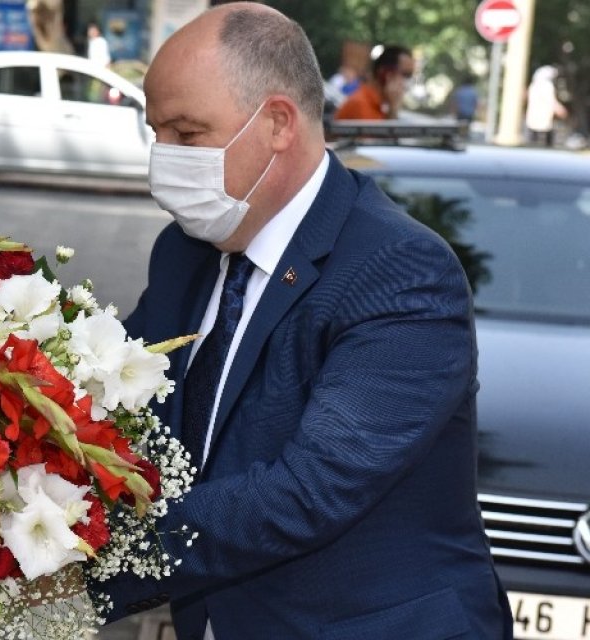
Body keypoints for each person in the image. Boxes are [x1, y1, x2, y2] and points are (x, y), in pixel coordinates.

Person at [91, 4, 512, 639]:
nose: (164, 158)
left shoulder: (400, 272)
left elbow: (305, 493)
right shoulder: (186, 252)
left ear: (279, 122)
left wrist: (77, 566)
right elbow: (115, 412)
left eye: (186, 132)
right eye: (157, 134)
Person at [333, 44, 414, 120]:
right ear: (386, 74)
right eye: (406, 75)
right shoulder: (361, 104)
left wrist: (392, 110)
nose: (406, 83)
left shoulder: (377, 105)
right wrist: (393, 110)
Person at [525, 65, 566, 147]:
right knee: (547, 143)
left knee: (532, 142)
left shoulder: (533, 86)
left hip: (532, 121)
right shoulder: (547, 86)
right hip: (544, 121)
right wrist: (561, 110)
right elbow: (551, 102)